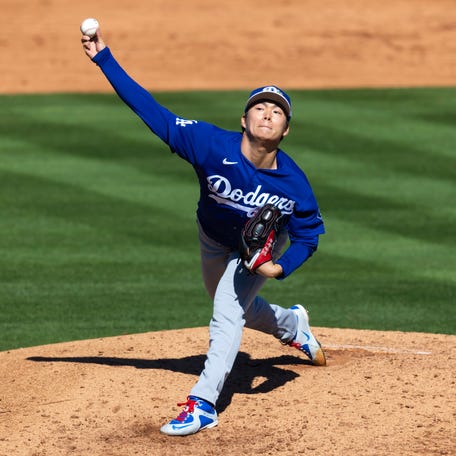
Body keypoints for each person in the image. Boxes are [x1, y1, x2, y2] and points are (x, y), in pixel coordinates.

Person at [81, 26, 326, 437]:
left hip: (259, 250)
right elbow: (151, 110)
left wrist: (278, 268)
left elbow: (309, 235)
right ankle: (292, 327)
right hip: (212, 238)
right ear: (243, 120)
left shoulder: (294, 184)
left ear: (285, 131)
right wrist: (104, 58)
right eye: (260, 108)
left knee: (227, 310)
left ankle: (203, 403)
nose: (267, 114)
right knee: (230, 303)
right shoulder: (208, 143)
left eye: (277, 111)